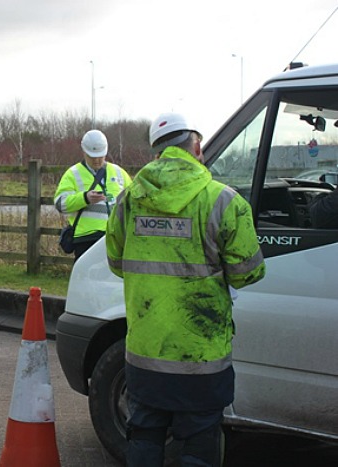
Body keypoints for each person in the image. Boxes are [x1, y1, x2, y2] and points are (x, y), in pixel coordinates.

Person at [105, 112, 266, 467]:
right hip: (201, 361)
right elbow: (248, 273)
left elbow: (116, 262)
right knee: (199, 444)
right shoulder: (223, 201)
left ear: (156, 154)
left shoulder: (128, 201)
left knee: (144, 437)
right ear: (196, 146)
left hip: (145, 355)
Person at [54, 129, 132, 259]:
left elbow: (132, 202)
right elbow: (60, 204)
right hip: (85, 239)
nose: (97, 160)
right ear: (84, 152)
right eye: (92, 157)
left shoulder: (119, 173)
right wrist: (85, 198)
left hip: (114, 238)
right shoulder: (73, 173)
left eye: (100, 156)